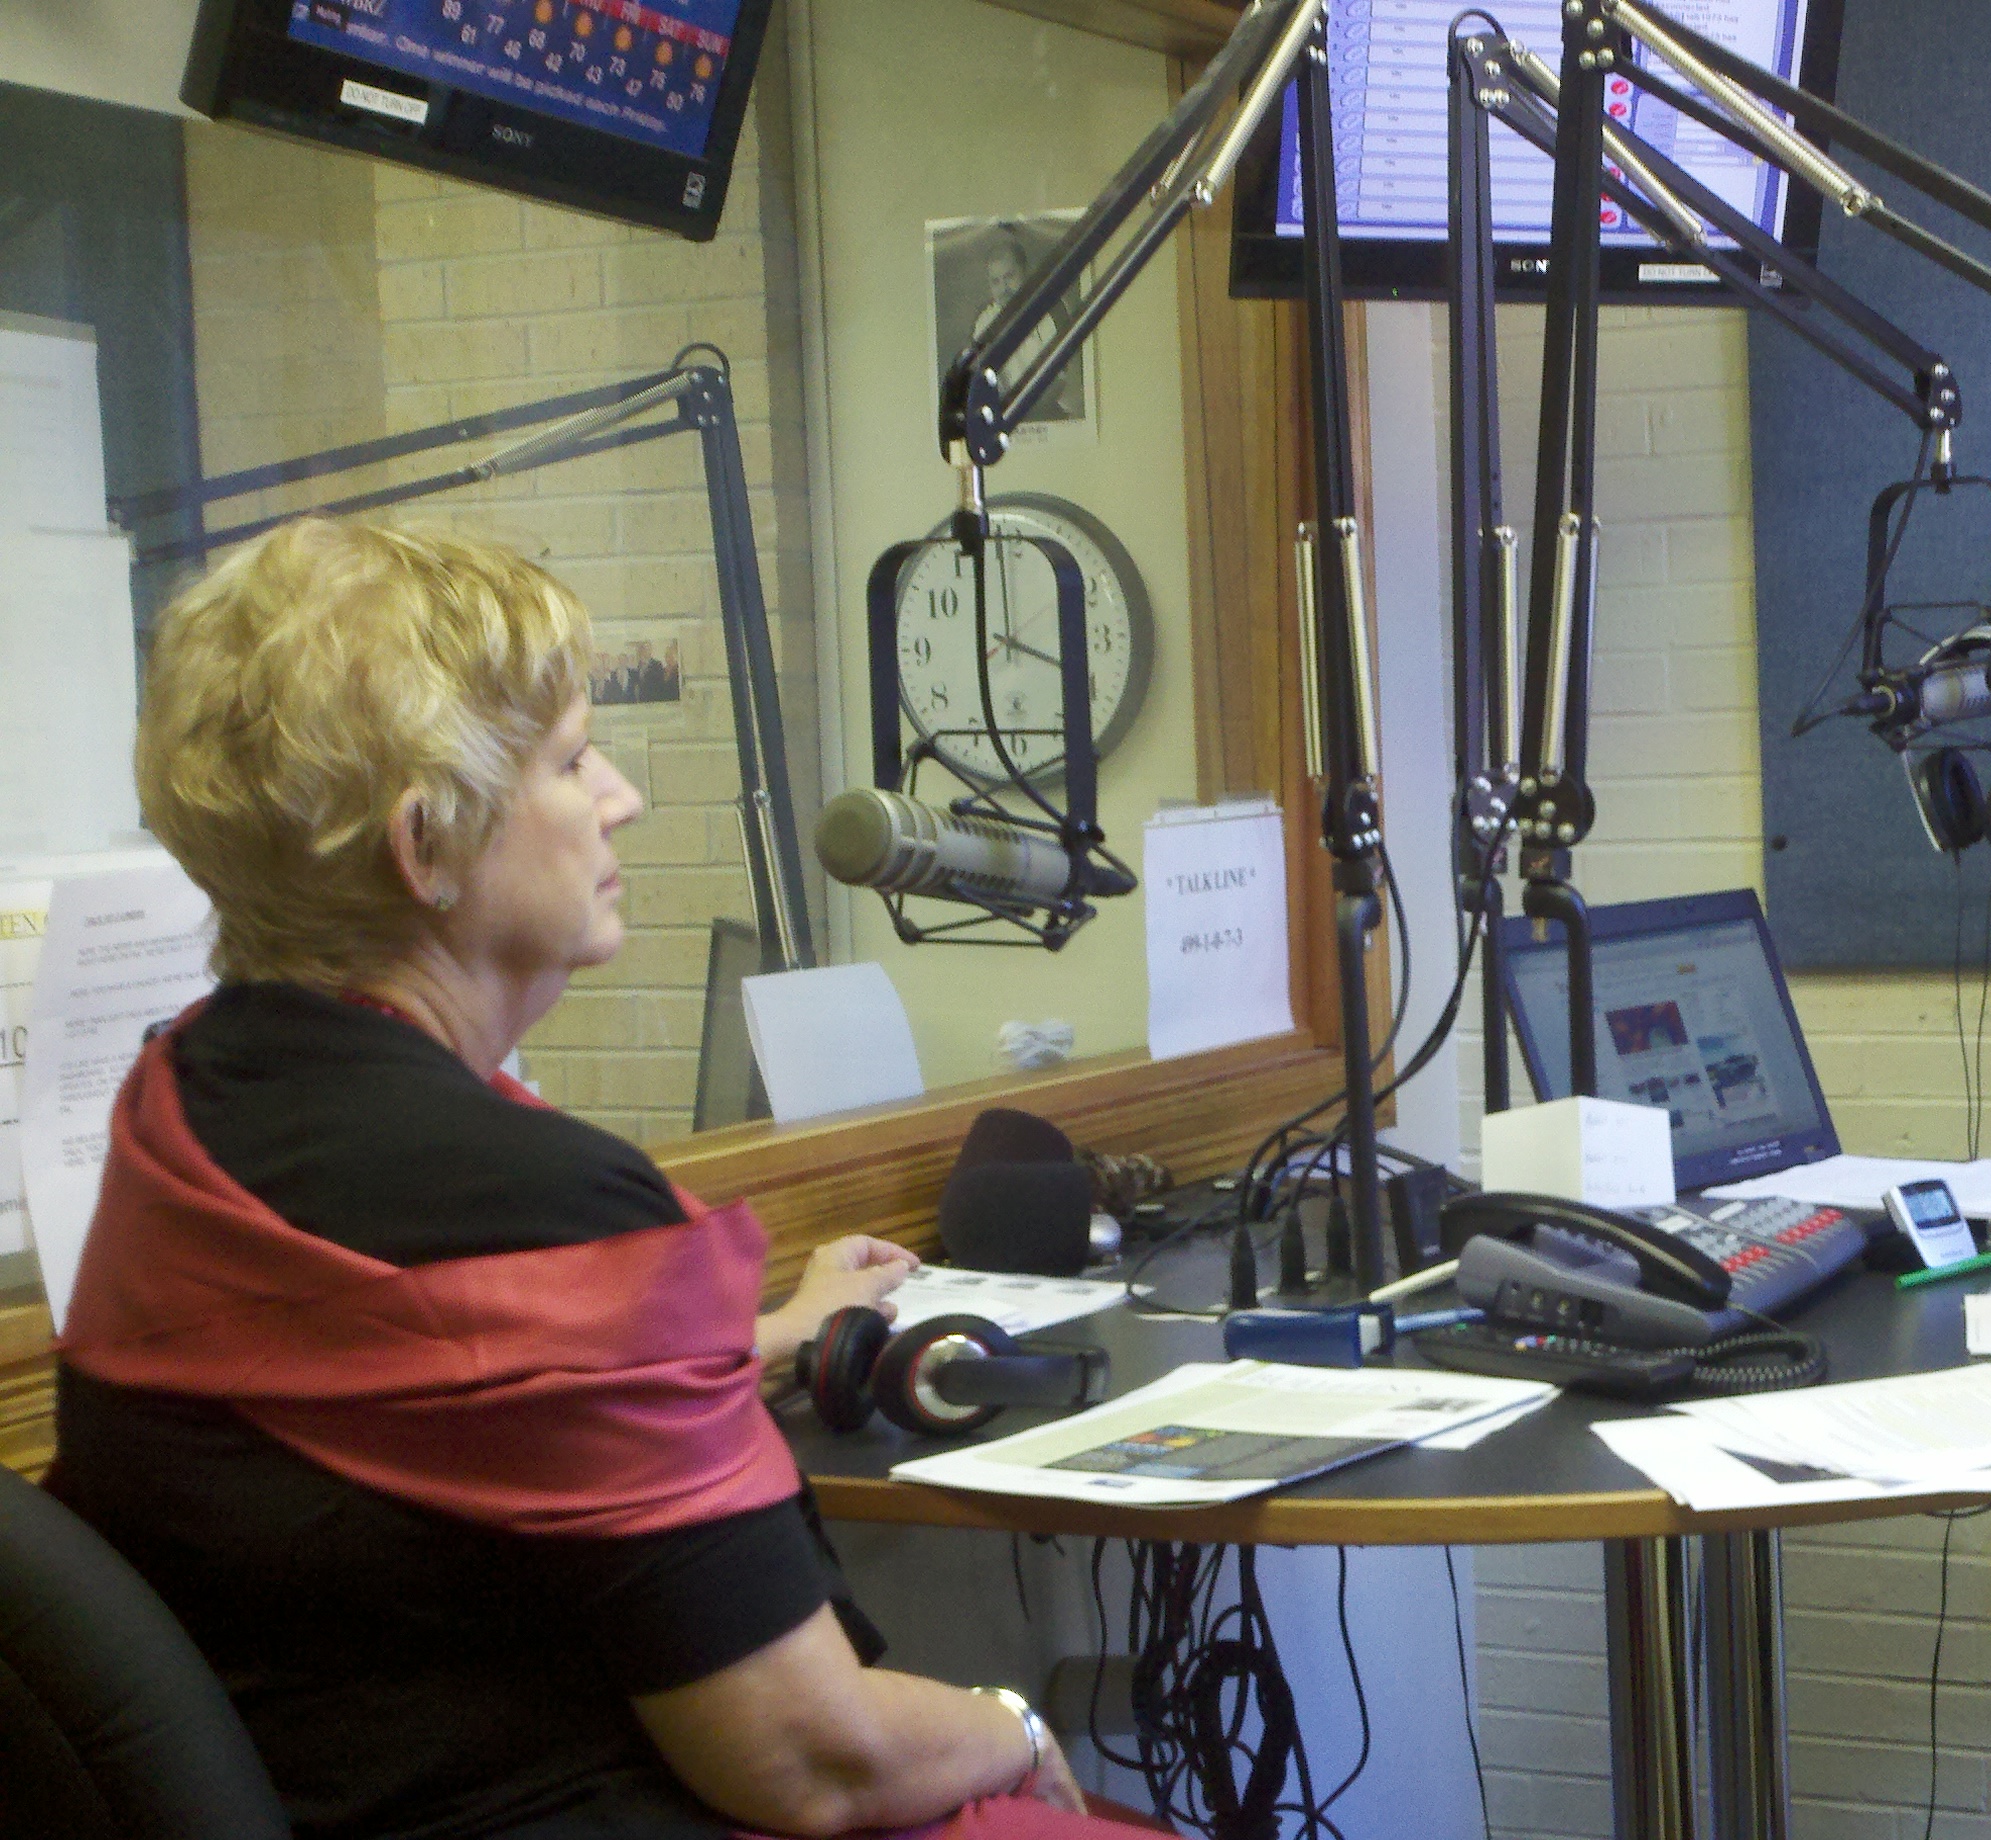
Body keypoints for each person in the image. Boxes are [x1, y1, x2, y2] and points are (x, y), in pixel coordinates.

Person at [50, 519, 1159, 1840]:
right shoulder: (542, 1209)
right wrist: (1012, 1724)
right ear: (427, 845)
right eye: (574, 761)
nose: (620, 799)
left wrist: (750, 1340)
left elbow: (415, 1383)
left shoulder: (184, 1102)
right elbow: (819, 1761)